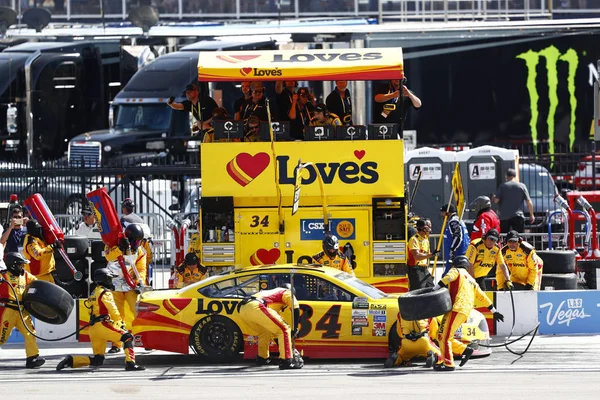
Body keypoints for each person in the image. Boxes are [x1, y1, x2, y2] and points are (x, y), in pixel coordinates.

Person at [55, 268, 145, 371]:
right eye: (109, 279)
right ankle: (130, 364)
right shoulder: (105, 292)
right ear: (105, 279)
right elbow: (113, 309)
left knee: (97, 360)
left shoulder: (94, 292)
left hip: (93, 328)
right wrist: (120, 323)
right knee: (128, 337)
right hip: (103, 325)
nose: (111, 281)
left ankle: (71, 361)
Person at [431, 256, 504, 371]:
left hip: (456, 308)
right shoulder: (471, 279)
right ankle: (464, 350)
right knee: (441, 335)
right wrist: (494, 311)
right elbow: (482, 296)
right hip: (465, 311)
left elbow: (448, 278)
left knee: (444, 336)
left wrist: (433, 290)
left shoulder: (456, 271)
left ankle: (448, 363)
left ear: (455, 264)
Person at [104, 224, 147, 354]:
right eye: (134, 240)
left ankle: (146, 339)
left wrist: (140, 283)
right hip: (114, 284)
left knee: (139, 312)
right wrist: (119, 248)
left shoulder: (140, 251)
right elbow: (108, 257)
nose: (137, 243)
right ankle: (116, 344)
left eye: (139, 241)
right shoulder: (112, 244)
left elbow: (141, 269)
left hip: (131, 286)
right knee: (116, 315)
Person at [238, 284, 303, 369]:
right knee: (284, 329)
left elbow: (276, 333)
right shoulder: (286, 292)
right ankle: (286, 361)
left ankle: (262, 358)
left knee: (265, 332)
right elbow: (296, 309)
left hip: (243, 309)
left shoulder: (271, 296)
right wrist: (295, 328)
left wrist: (286, 347)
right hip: (256, 306)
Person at [0, 252, 45, 369]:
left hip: (22, 311)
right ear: (13, 265)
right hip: (7, 311)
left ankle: (32, 358)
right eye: (20, 265)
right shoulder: (2, 276)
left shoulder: (25, 275)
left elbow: (37, 283)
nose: (22, 267)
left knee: (30, 333)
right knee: (1, 337)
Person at [493, 168, 535, 233]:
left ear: (506, 176)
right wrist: (531, 214)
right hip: (518, 216)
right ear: (515, 176)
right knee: (519, 238)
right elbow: (528, 202)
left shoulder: (503, 186)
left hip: (504, 217)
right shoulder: (522, 186)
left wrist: (493, 197)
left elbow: (496, 200)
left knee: (504, 237)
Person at [407, 219, 437, 290]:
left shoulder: (425, 239)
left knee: (431, 290)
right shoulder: (414, 240)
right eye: (428, 227)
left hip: (425, 270)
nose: (430, 229)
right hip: (416, 270)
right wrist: (432, 254)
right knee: (418, 292)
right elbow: (417, 256)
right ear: (423, 228)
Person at [440, 204, 469, 275]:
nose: (441, 214)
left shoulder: (453, 222)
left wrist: (452, 250)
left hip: (457, 255)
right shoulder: (458, 220)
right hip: (460, 254)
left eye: (442, 212)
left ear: (448, 212)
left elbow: (458, 236)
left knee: (448, 276)